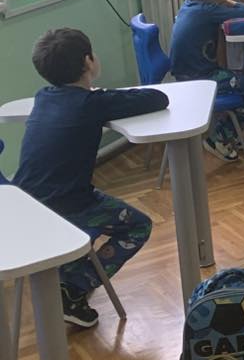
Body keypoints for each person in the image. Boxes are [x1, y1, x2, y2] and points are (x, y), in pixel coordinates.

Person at [13, 28, 168, 328]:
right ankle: (73, 289)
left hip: (27, 205)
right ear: (88, 61)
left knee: (91, 210)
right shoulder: (92, 103)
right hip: (67, 205)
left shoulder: (43, 97)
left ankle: (67, 277)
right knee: (139, 226)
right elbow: (157, 98)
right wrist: (103, 95)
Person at [169, 0, 244, 162]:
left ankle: (230, 134)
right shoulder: (208, 11)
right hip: (200, 79)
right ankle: (218, 137)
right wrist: (230, 2)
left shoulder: (188, 6)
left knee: (241, 81)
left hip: (185, 75)